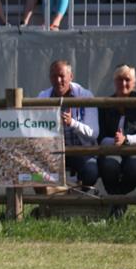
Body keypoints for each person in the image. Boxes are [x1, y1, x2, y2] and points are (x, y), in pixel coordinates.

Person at [36, 59, 99, 190]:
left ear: (71, 76)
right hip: (52, 152)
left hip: (81, 151)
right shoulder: (42, 97)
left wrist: (72, 123)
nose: (58, 80)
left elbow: (94, 133)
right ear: (49, 78)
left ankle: (79, 202)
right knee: (35, 173)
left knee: (91, 171)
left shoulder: (86, 96)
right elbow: (35, 130)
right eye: (54, 76)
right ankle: (46, 204)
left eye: (61, 76)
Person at [98, 65, 136, 212]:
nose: (123, 84)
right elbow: (100, 136)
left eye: (127, 79)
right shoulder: (105, 104)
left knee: (134, 167)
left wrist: (126, 139)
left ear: (134, 82)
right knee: (109, 165)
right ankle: (119, 204)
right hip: (112, 149)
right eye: (119, 79)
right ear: (113, 81)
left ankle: (117, 202)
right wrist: (115, 141)